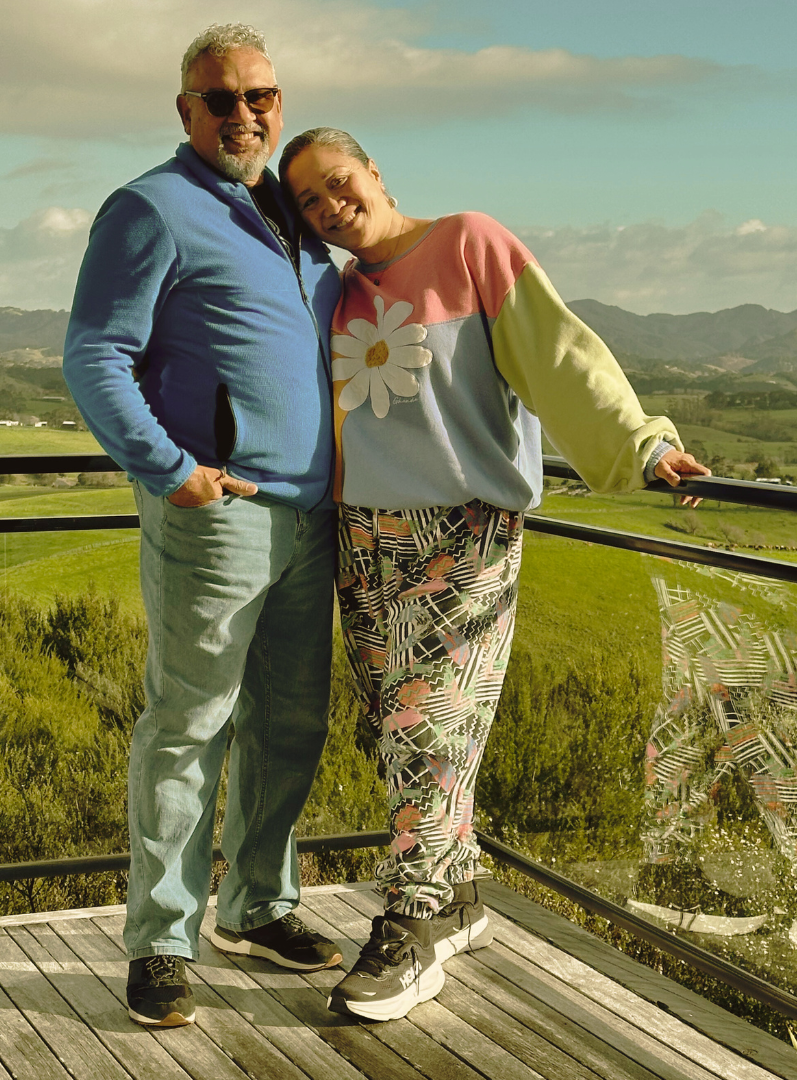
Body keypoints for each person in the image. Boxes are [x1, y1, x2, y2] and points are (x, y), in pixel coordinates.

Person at [278, 127, 710, 1021]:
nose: (329, 207)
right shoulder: (337, 289)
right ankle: (461, 890)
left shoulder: (470, 243)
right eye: (310, 202)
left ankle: (413, 920)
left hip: (463, 534)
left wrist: (643, 443)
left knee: (429, 725)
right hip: (363, 540)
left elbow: (561, 354)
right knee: (401, 735)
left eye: (338, 183)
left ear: (375, 171)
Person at [63, 28, 344, 1029]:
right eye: (218, 99)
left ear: (279, 99)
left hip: (311, 520)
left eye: (258, 95)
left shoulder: (301, 219)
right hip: (216, 517)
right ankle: (162, 942)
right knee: (188, 728)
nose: (243, 114)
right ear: (185, 112)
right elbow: (94, 354)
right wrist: (172, 472)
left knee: (290, 725)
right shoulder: (151, 207)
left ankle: (257, 909)